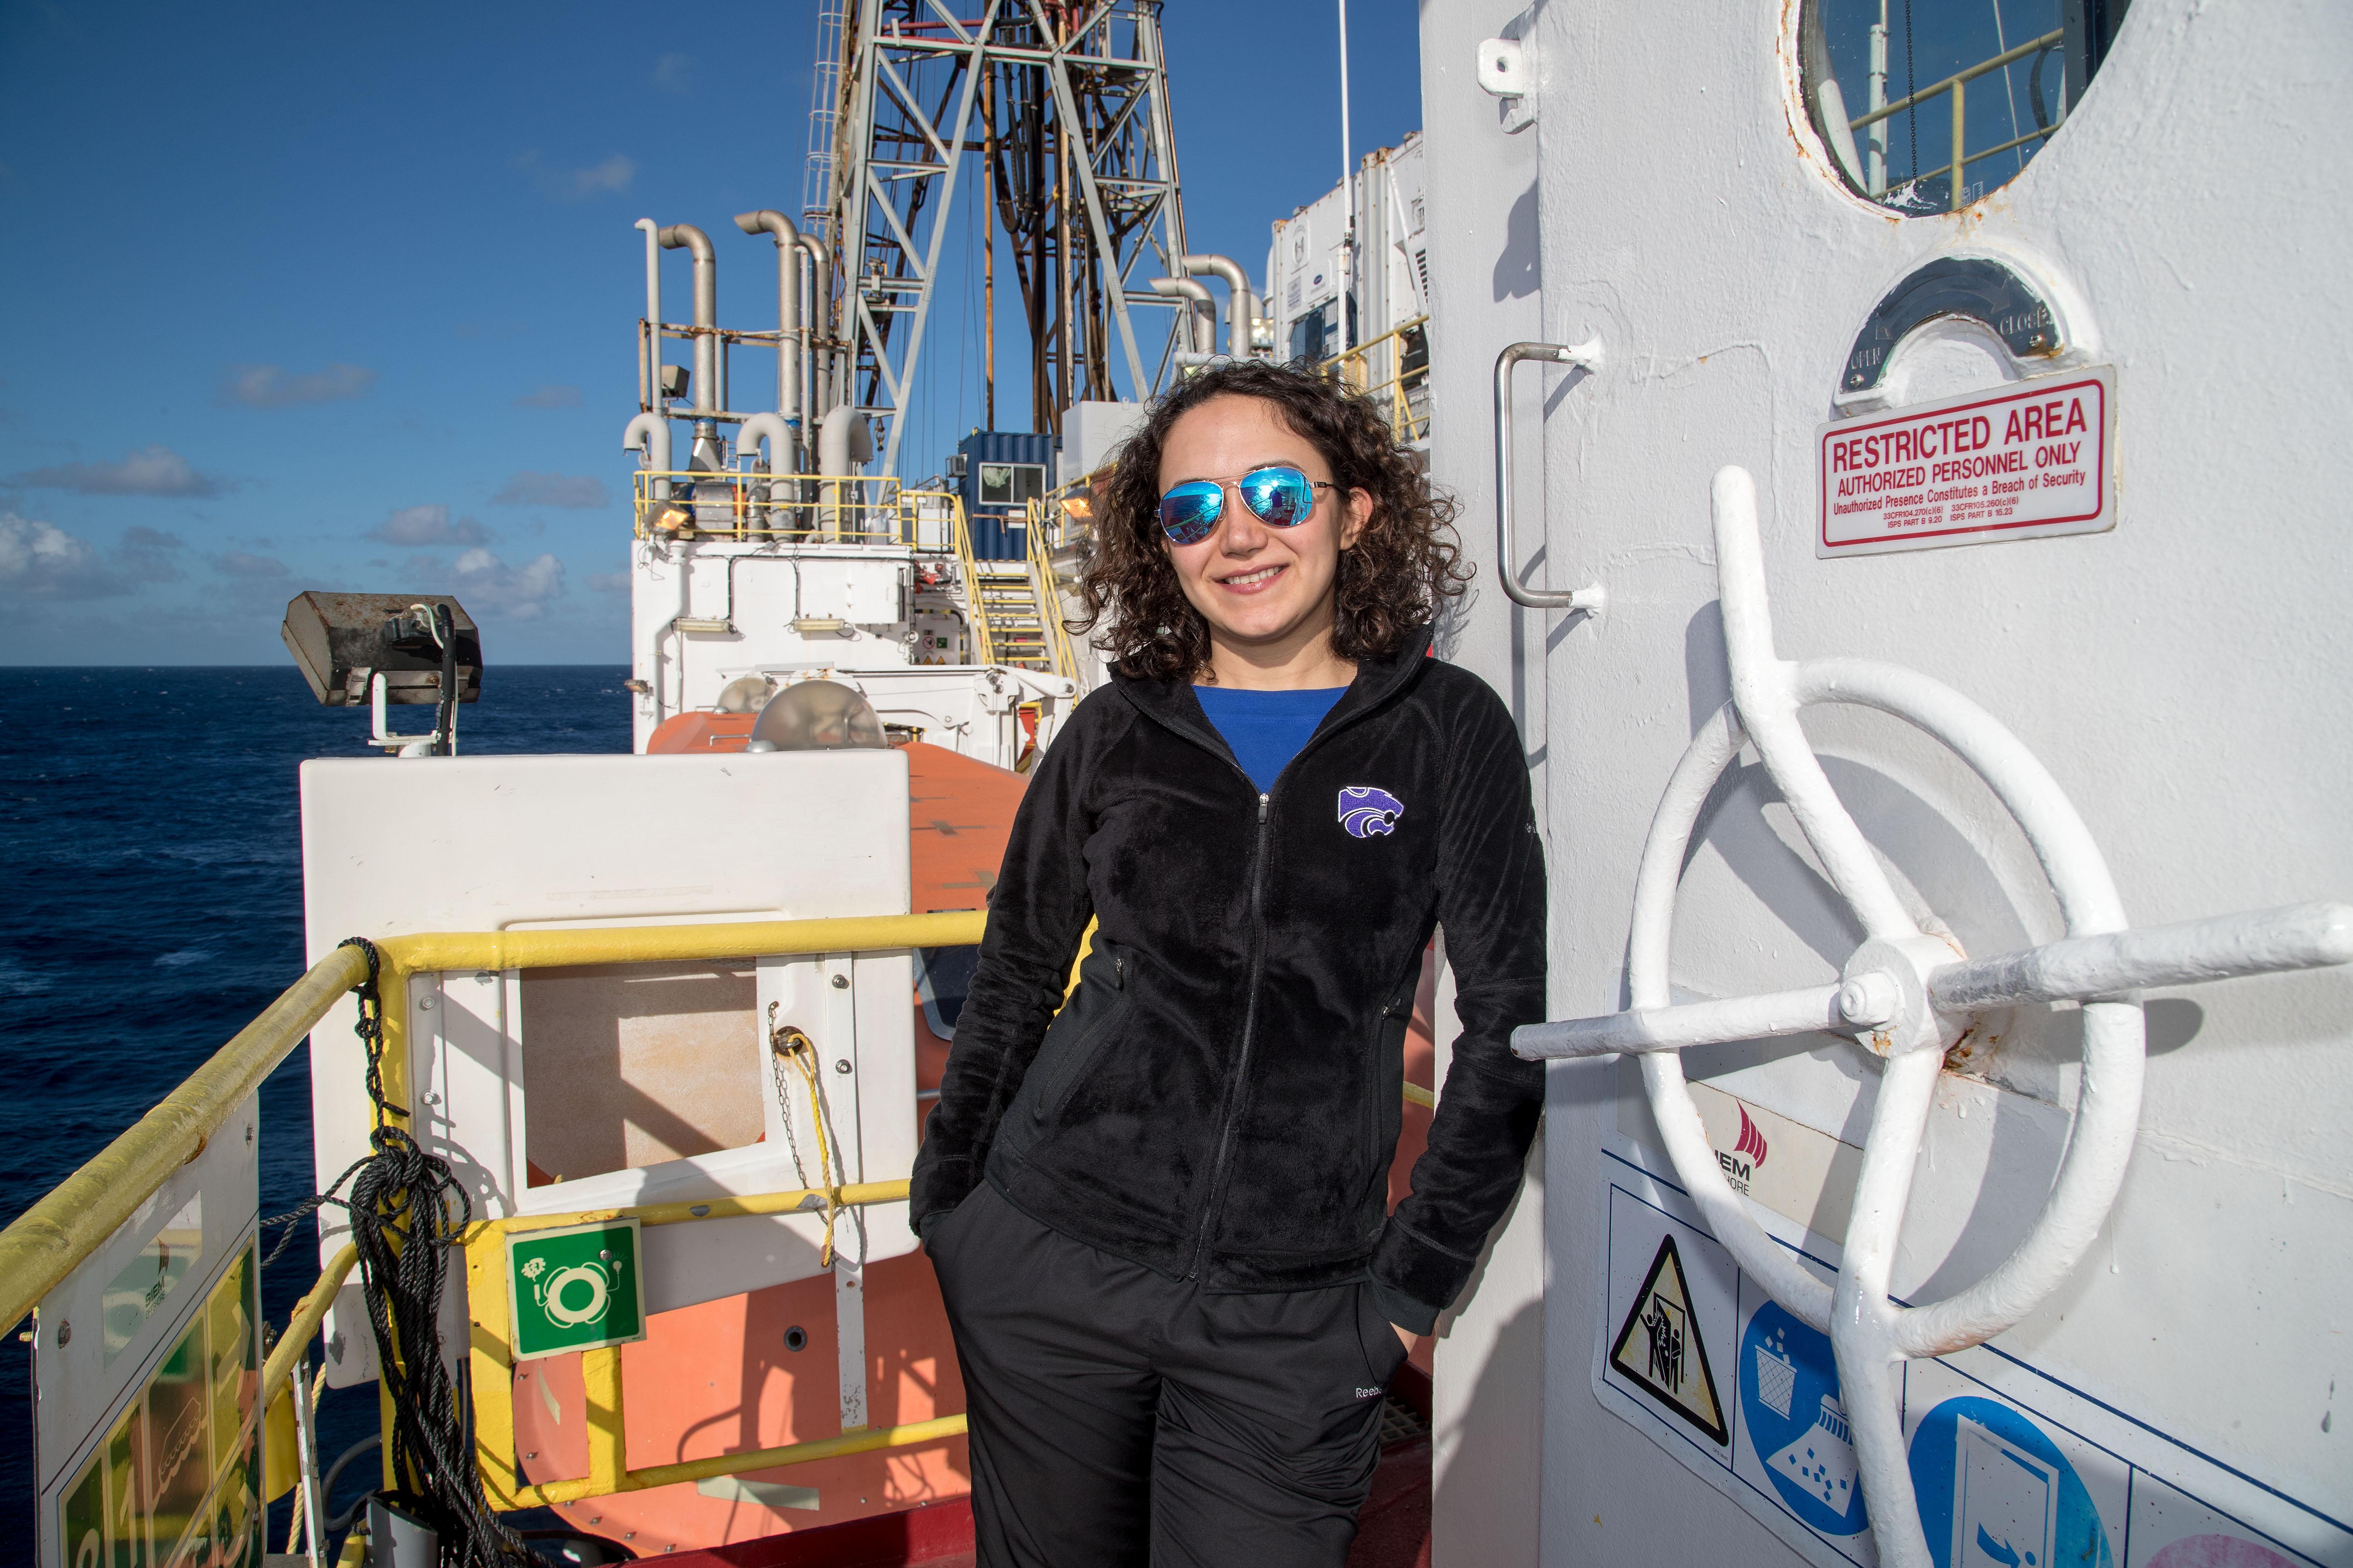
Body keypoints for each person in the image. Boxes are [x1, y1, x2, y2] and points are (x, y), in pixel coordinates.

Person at [910, 360, 1546, 1566]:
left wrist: (1410, 1287)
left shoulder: (1445, 729)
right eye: (1194, 510)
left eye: (1276, 494)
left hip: (1297, 1311)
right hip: (1049, 1264)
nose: (1239, 536)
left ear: (1356, 512)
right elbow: (1017, 974)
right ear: (1162, 546)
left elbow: (1508, 1023)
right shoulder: (1115, 731)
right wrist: (953, 1208)